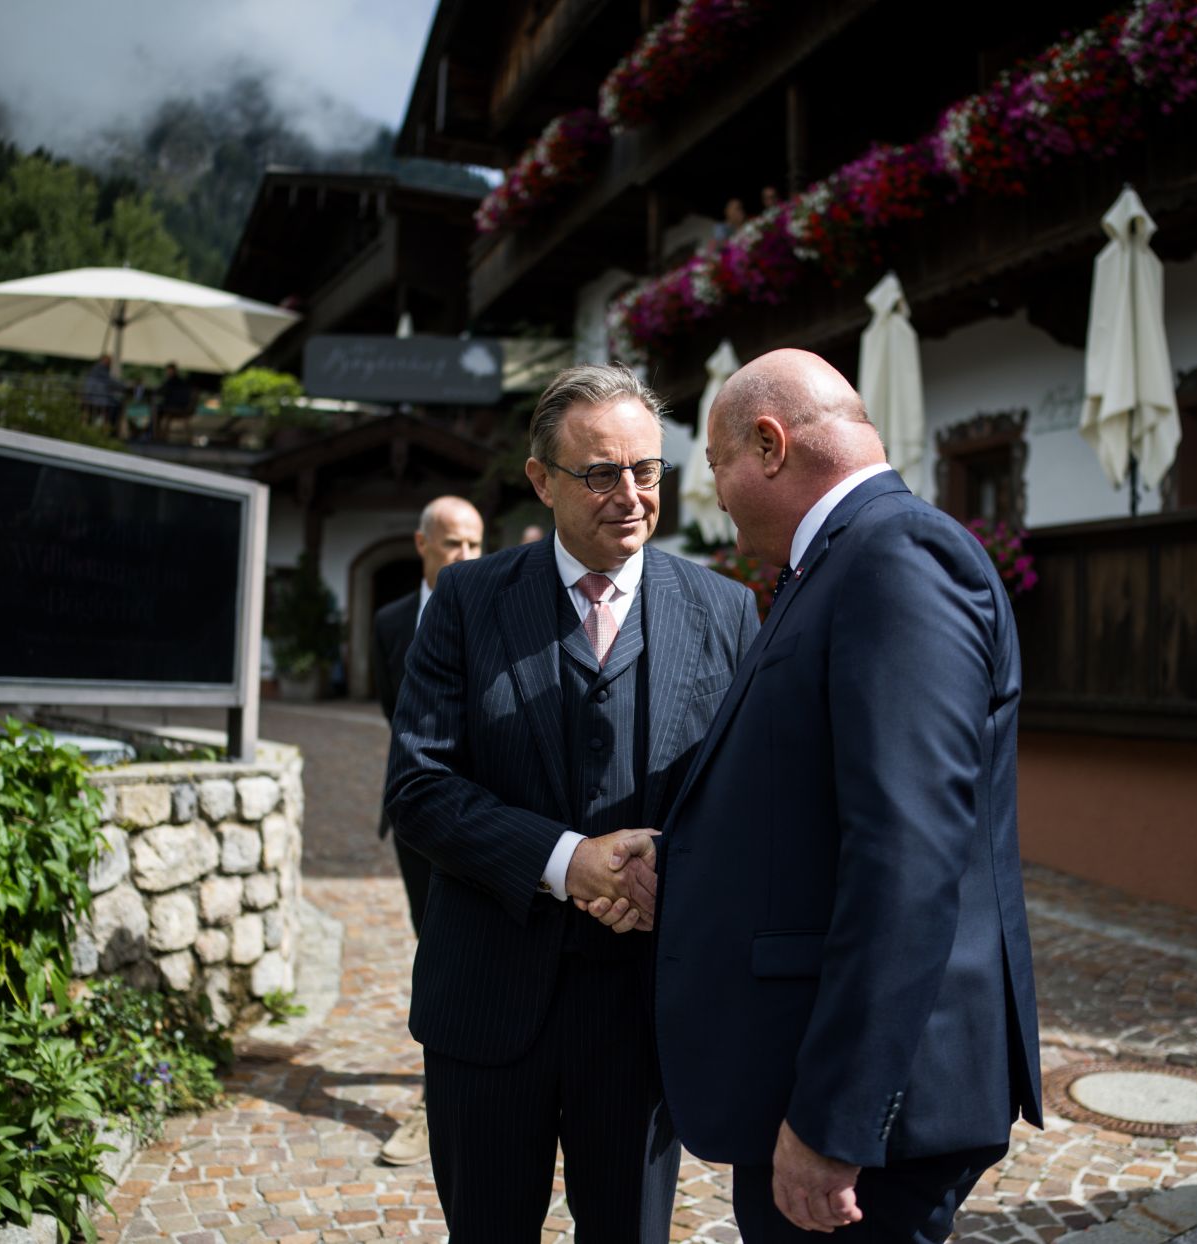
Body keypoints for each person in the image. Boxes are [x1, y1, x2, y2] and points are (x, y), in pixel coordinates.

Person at [612, 348, 1042, 1241]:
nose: (716, 503)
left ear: (768, 445)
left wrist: (836, 1121)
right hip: (807, 1077)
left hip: (865, 1118)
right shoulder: (842, 561)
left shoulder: (897, 558)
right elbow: (810, 800)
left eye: (716, 470)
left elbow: (909, 858)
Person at [384, 363, 758, 1241]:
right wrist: (568, 861)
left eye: (647, 470)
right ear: (541, 481)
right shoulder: (469, 604)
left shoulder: (727, 611)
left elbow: (744, 803)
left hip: (642, 1018)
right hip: (486, 1007)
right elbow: (419, 787)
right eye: (599, 473)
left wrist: (669, 865)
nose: (629, 494)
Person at [369, 494, 485, 1166]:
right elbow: (398, 718)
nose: (465, 557)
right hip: (419, 820)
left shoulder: (498, 609)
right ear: (422, 545)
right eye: (452, 546)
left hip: (491, 818)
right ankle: (435, 1095)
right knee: (432, 946)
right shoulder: (389, 622)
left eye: (474, 545)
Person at [153, 363, 195, 440]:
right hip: (181, 406)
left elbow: (160, 391)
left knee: (157, 410)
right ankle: (158, 434)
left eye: (169, 370)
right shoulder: (179, 381)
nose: (168, 372)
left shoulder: (173, 381)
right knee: (158, 410)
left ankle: (156, 435)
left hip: (177, 407)